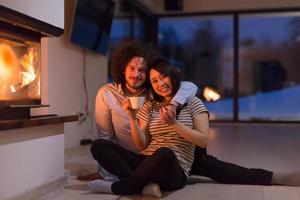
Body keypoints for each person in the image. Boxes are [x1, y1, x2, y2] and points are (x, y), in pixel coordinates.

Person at [87, 57, 210, 196]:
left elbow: (203, 140)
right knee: (98, 145)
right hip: (145, 161)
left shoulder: (192, 102)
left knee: (165, 153)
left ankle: (120, 187)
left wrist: (174, 123)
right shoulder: (150, 105)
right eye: (155, 81)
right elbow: (141, 146)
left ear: (173, 75)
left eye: (163, 77)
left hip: (175, 169)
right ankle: (143, 185)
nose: (160, 84)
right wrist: (132, 117)